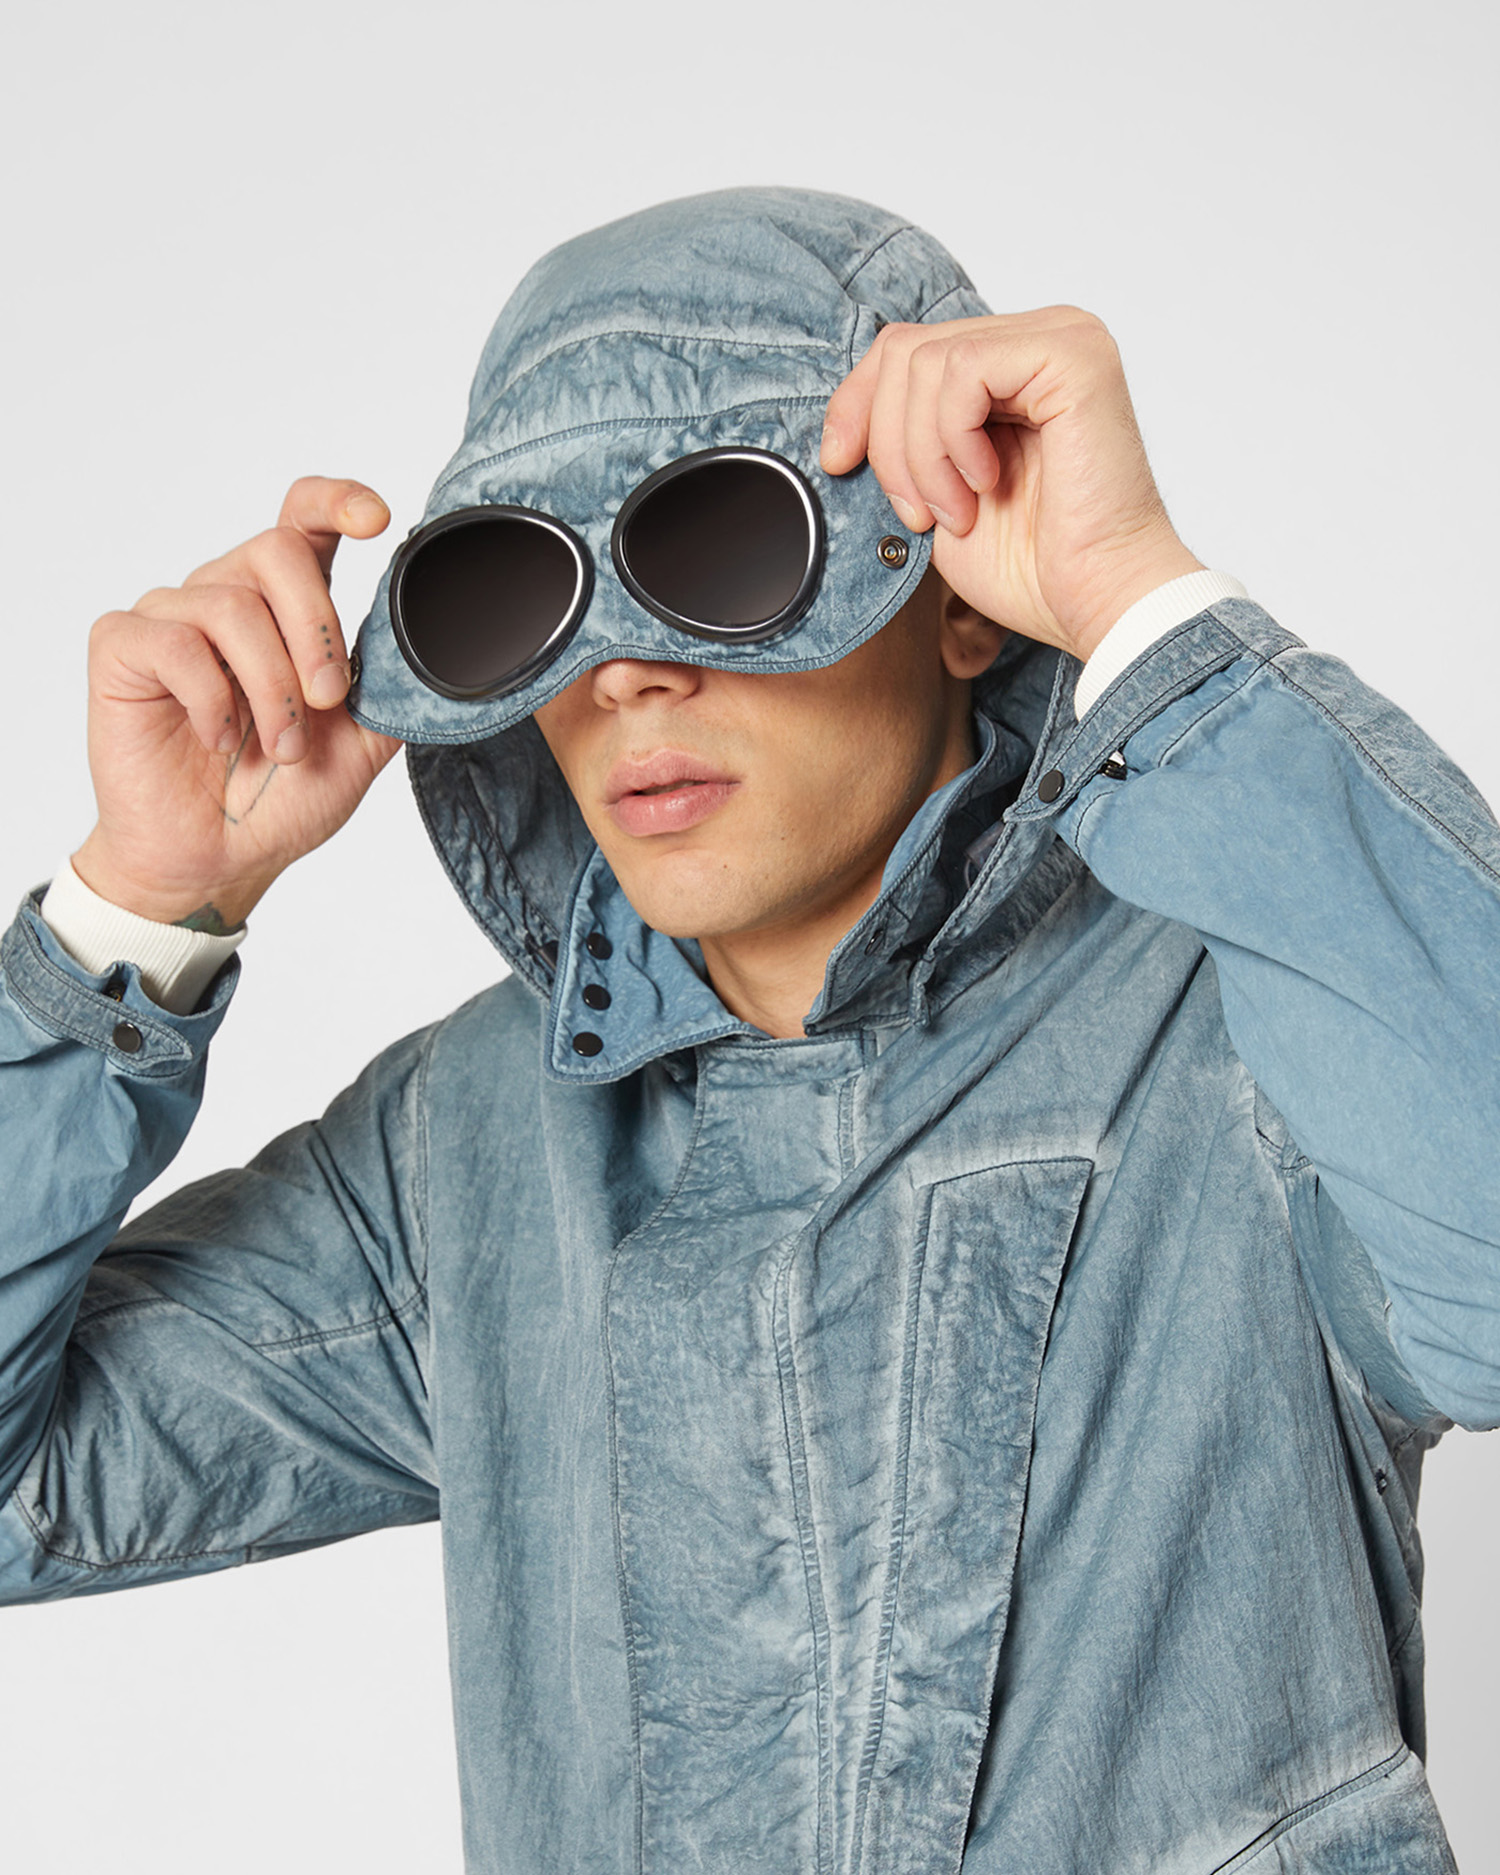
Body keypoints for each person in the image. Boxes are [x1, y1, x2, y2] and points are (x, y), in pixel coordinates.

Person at [0, 186, 1491, 1873]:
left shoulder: (1248, 1009)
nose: (623, 676)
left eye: (721, 549)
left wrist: (1136, 604)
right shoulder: (467, 1147)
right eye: (525, 591)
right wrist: (140, 904)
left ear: (953, 593)